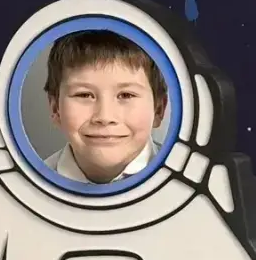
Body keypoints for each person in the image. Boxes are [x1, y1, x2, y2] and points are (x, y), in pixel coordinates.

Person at [42, 29, 166, 184]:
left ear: (158, 109)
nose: (105, 117)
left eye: (126, 95)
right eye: (84, 95)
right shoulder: (27, 187)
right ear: (56, 109)